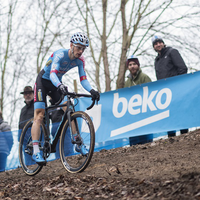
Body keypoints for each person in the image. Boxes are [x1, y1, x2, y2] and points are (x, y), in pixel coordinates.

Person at [31, 32, 100, 164]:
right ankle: (35, 151)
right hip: (44, 82)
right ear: (71, 45)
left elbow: (83, 79)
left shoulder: (80, 61)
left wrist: (92, 90)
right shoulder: (60, 54)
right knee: (39, 115)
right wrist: (60, 85)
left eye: (83, 49)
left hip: (56, 83)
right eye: (78, 47)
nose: (80, 51)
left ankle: (77, 142)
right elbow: (52, 74)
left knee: (69, 109)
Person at [152, 35, 188, 137]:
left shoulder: (172, 52)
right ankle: (171, 136)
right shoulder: (157, 60)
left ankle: (184, 134)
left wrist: (178, 84)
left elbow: (182, 68)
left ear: (163, 43)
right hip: (165, 92)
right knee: (168, 113)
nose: (158, 45)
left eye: (160, 42)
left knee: (180, 111)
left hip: (177, 89)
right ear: (153, 47)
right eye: (155, 43)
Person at [124, 55, 153, 146]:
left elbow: (151, 94)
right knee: (134, 144)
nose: (132, 66)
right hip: (133, 117)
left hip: (145, 114)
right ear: (128, 67)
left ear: (138, 65)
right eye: (130, 65)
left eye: (134, 64)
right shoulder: (127, 82)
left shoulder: (145, 77)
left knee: (146, 143)